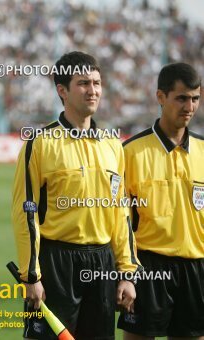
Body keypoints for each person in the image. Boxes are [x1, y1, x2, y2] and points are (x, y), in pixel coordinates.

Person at [11, 51, 142, 339]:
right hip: (56, 263)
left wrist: (126, 272)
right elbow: (26, 213)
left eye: (97, 82)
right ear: (62, 90)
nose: (93, 90)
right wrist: (31, 276)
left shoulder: (113, 145)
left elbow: (121, 215)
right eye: (83, 83)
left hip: (102, 263)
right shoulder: (40, 144)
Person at [118, 63, 203, 339]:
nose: (189, 106)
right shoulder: (130, 153)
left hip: (197, 267)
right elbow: (117, 222)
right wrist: (124, 272)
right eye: (181, 98)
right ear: (160, 97)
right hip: (149, 268)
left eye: (195, 98)